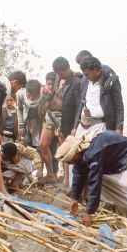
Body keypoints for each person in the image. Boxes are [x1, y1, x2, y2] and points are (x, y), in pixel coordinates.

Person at [57, 130, 127, 226]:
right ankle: (91, 204)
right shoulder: (80, 151)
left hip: (126, 152)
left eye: (70, 161)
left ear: (75, 154)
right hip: (110, 160)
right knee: (88, 178)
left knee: (126, 184)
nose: (69, 163)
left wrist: (89, 212)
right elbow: (78, 174)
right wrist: (74, 198)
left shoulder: (93, 154)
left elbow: (95, 183)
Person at [38, 57, 80, 185]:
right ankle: (51, 175)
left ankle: (67, 180)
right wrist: (46, 100)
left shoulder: (76, 81)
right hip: (50, 115)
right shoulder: (57, 77)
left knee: (65, 150)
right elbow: (52, 93)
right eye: (57, 73)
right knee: (42, 145)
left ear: (66, 69)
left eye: (61, 72)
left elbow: (78, 105)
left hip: (65, 118)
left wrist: (74, 125)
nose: (59, 75)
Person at [74, 55, 124, 138]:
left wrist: (119, 128)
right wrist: (75, 127)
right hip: (83, 126)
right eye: (85, 74)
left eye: (88, 74)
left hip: (101, 127)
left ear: (96, 70)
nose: (86, 77)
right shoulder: (84, 81)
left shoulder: (110, 81)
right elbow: (81, 105)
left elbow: (119, 106)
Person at [16, 79, 45, 148]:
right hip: (26, 122)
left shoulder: (44, 95)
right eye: (29, 95)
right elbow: (19, 109)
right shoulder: (20, 95)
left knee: (40, 145)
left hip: (39, 123)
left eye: (34, 96)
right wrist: (21, 125)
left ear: (38, 92)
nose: (31, 97)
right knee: (24, 143)